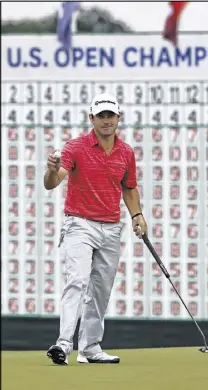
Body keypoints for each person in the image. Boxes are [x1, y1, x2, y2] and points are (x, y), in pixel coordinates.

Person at [44, 93, 148, 365]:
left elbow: (128, 186)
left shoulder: (126, 152)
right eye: (100, 116)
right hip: (79, 224)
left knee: (101, 290)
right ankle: (64, 344)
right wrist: (52, 170)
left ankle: (89, 348)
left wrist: (137, 214)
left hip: (111, 227)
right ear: (91, 119)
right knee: (76, 281)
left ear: (118, 118)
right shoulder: (75, 147)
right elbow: (53, 182)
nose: (105, 120)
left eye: (110, 115)